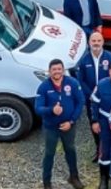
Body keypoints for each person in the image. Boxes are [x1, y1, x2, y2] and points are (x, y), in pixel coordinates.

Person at [35, 58, 86, 189]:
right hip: (50, 127)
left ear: (63, 70)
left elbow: (80, 102)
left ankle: (74, 177)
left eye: (59, 69)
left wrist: (72, 121)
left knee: (70, 150)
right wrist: (52, 110)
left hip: (69, 125)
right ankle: (47, 182)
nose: (57, 72)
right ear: (49, 71)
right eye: (54, 69)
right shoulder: (43, 87)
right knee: (49, 153)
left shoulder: (72, 83)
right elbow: (38, 108)